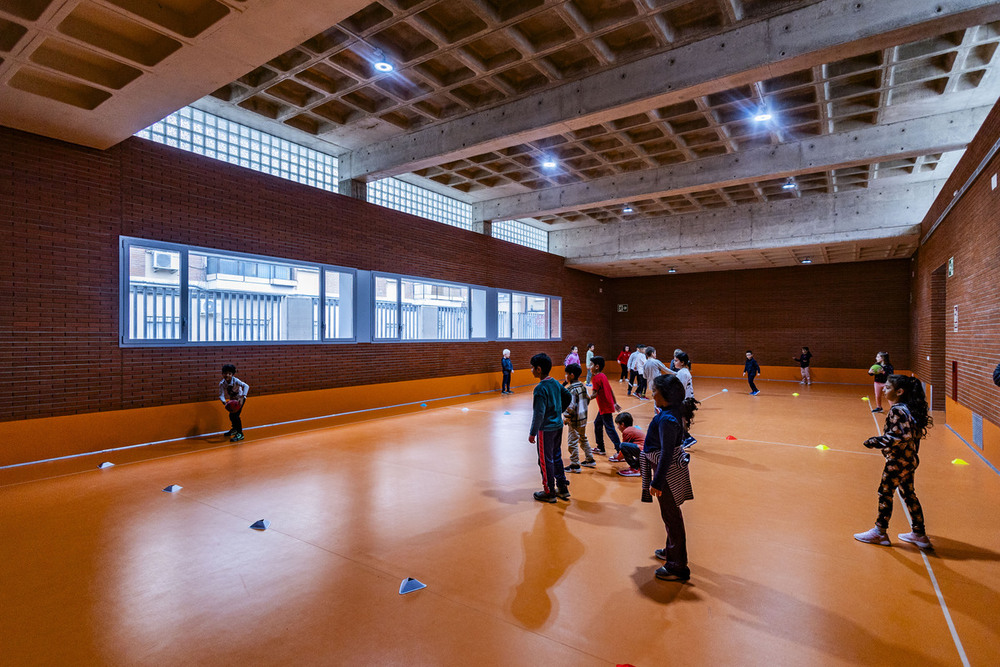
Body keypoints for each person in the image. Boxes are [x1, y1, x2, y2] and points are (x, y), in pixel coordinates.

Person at [853, 375, 933, 549]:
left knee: (885, 493)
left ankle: (879, 532)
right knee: (909, 494)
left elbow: (898, 437)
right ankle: (919, 534)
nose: (883, 389)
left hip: (898, 461)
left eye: (887, 387)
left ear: (899, 392)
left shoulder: (898, 411)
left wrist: (874, 441)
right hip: (910, 459)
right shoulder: (909, 409)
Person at [642, 374, 697, 582]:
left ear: (665, 396)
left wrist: (656, 482)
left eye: (654, 391)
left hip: (665, 473)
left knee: (671, 516)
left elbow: (666, 453)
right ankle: (671, 549)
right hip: (668, 469)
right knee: (670, 514)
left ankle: (677, 565)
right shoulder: (672, 412)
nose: (652, 394)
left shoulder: (667, 419)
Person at [528, 353, 573, 503]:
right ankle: (562, 487)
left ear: (539, 369)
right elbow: (568, 396)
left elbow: (539, 413)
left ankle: (549, 491)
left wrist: (533, 433)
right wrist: (558, 412)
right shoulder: (554, 383)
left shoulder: (540, 389)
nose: (531, 370)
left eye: (532, 368)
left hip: (546, 429)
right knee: (556, 456)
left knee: (545, 460)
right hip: (558, 426)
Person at [563, 363, 596, 473]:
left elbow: (571, 406)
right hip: (583, 418)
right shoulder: (582, 386)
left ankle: (575, 465)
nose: (565, 376)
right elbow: (587, 398)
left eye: (566, 374)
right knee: (583, 438)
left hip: (575, 420)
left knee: (572, 442)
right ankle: (590, 459)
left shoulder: (571, 389)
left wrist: (566, 418)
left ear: (571, 375)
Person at [589, 356, 622, 457]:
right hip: (607, 405)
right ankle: (601, 448)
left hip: (605, 407)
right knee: (597, 424)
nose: (589, 367)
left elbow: (594, 395)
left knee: (610, 428)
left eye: (591, 365)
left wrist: (584, 398)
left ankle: (620, 451)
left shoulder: (595, 378)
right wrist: (615, 402)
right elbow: (610, 390)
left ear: (597, 367)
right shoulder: (603, 375)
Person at [673, 351, 699, 448]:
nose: (674, 363)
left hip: (684, 400)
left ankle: (687, 438)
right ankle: (684, 438)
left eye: (676, 361)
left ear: (682, 362)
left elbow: (681, 388)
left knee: (680, 420)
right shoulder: (683, 372)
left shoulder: (682, 373)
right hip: (686, 399)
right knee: (681, 420)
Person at [219, 363, 249, 443]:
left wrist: (243, 397)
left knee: (235, 416)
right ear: (222, 374)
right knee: (231, 416)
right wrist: (224, 402)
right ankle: (234, 429)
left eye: (229, 373)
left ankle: (240, 434)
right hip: (232, 400)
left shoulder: (236, 380)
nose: (227, 375)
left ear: (232, 374)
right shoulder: (222, 383)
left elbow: (246, 386)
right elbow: (221, 395)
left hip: (240, 399)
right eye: (225, 373)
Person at [614, 411, 644, 477]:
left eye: (618, 425)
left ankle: (635, 468)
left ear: (622, 424)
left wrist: (618, 457)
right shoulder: (633, 429)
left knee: (622, 445)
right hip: (646, 452)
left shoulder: (626, 431)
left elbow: (624, 448)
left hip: (643, 452)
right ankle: (638, 467)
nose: (618, 427)